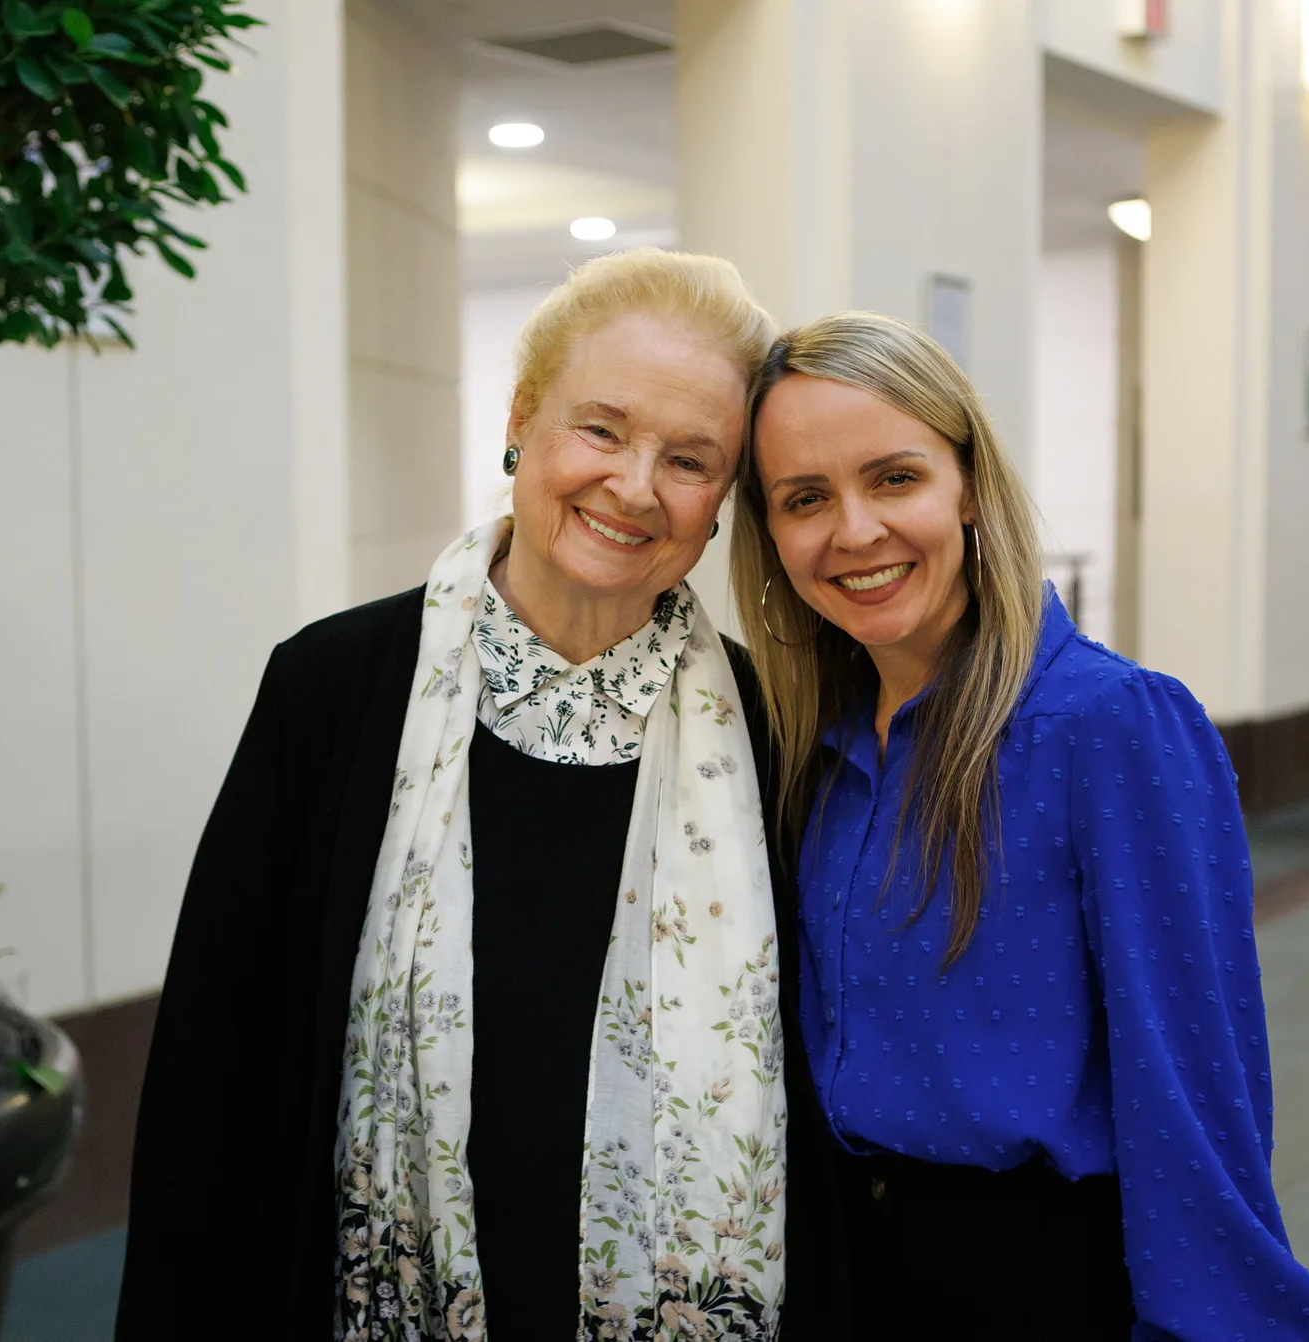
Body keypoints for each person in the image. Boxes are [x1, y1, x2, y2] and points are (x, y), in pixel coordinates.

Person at [116, 249, 821, 1340]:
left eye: (689, 459)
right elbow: (216, 1066)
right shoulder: (333, 687)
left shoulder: (772, 731)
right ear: (521, 419)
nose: (635, 486)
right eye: (601, 429)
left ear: (722, 499)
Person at [729, 311, 1309, 1341]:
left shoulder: (1108, 725)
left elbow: (1190, 1088)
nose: (854, 531)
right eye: (805, 498)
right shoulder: (815, 744)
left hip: (1031, 1284)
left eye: (894, 478)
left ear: (967, 486)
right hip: (843, 1271)